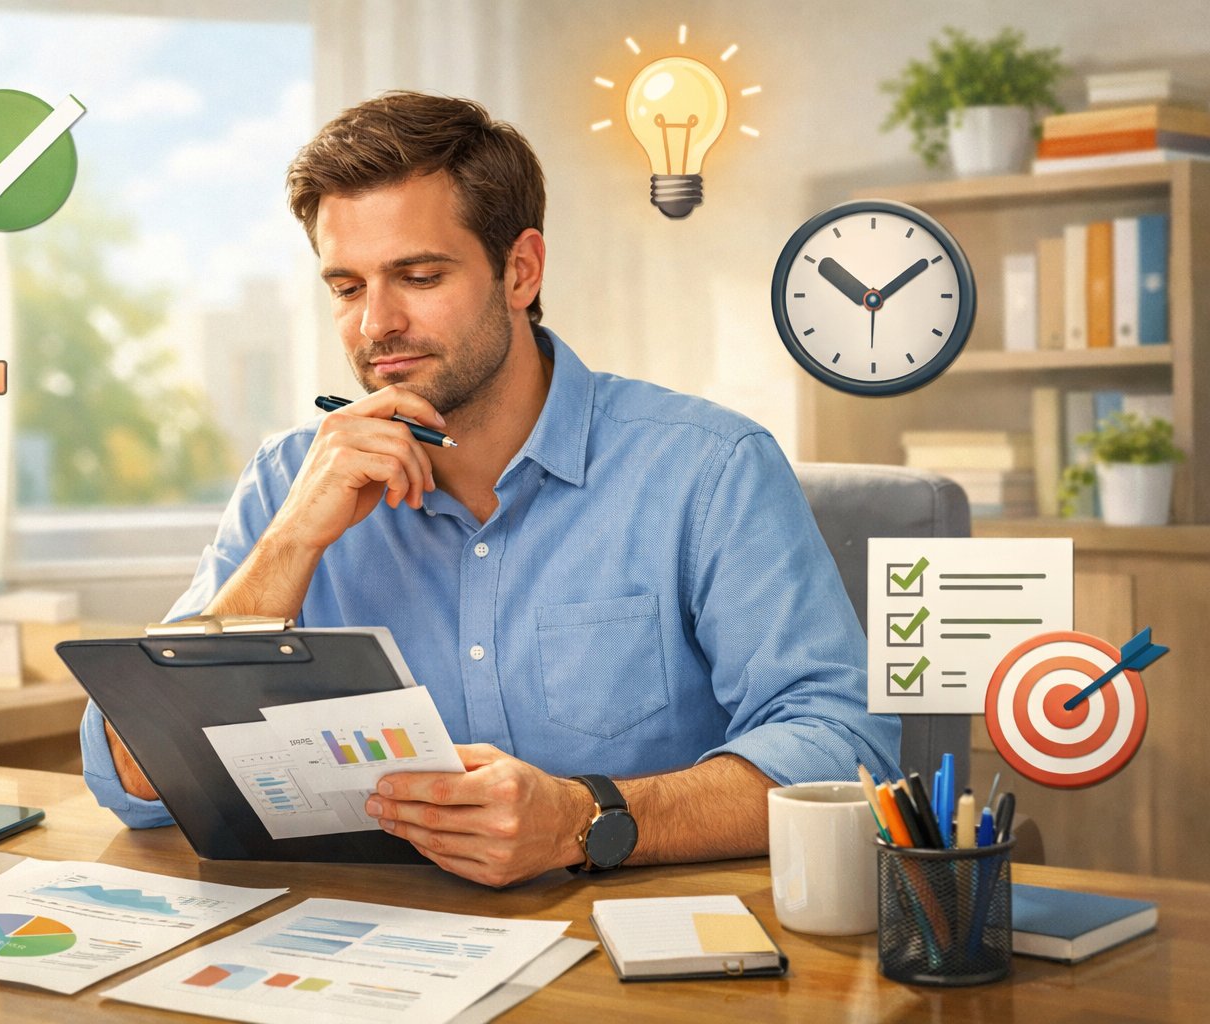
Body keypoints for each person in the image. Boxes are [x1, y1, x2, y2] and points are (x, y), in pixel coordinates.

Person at [81, 91, 899, 887]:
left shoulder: (709, 468)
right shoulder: (290, 481)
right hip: (375, 942)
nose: (375, 324)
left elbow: (845, 751)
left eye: (418, 276)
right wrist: (290, 544)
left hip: (633, 945)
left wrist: (584, 820)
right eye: (348, 288)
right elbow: (134, 778)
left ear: (521, 271)